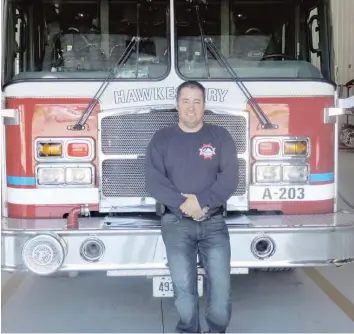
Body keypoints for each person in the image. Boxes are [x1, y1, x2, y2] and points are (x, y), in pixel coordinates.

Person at [145, 80, 239, 333]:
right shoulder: (162, 138)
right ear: (177, 105)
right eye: (185, 101)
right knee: (184, 292)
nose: (191, 107)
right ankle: (189, 330)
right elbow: (154, 182)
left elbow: (230, 179)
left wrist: (202, 202)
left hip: (214, 222)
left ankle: (217, 329)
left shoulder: (220, 136)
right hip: (175, 224)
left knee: (221, 292)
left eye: (197, 101)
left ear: (204, 106)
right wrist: (185, 204)